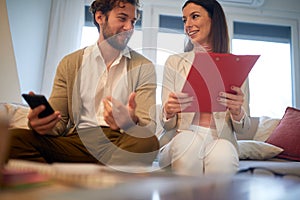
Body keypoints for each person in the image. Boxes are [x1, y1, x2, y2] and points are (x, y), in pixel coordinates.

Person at [9, 0, 159, 166]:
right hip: (77, 141)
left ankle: (97, 178)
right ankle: (111, 173)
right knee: (12, 138)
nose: (129, 28)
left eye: (133, 21)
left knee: (149, 143)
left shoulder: (144, 66)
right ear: (100, 17)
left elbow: (148, 127)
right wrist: (39, 123)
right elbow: (59, 122)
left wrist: (130, 122)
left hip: (119, 141)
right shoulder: (70, 63)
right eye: (122, 18)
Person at [158, 0, 252, 176]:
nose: (188, 25)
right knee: (188, 142)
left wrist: (237, 111)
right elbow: (166, 124)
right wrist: (168, 111)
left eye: (194, 17)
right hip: (182, 136)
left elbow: (244, 129)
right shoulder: (174, 63)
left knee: (224, 152)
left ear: (213, 20)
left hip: (220, 139)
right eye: (184, 20)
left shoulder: (236, 66)